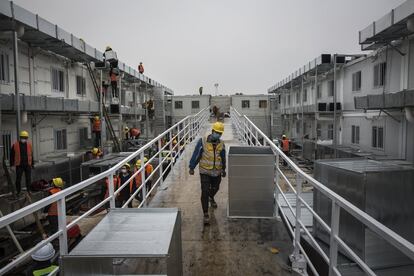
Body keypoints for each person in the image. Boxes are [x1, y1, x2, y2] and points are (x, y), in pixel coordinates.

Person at [189, 122, 226, 225]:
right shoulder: (203, 141)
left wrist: (224, 169)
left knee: (216, 188)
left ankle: (211, 197)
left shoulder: (222, 144)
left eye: (220, 133)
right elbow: (196, 154)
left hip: (217, 171)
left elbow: (223, 158)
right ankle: (205, 214)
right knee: (204, 191)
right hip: (205, 171)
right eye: (217, 132)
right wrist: (192, 167)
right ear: (212, 131)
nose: (218, 135)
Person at [10, 130, 34, 196]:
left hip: (27, 165)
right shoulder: (15, 145)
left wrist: (32, 164)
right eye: (23, 137)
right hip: (19, 165)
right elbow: (11, 155)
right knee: (18, 179)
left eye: (25, 138)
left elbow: (31, 155)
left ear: (27, 138)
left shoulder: (29, 145)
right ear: (20, 137)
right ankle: (18, 191)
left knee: (28, 178)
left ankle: (28, 190)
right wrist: (11, 165)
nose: (24, 139)